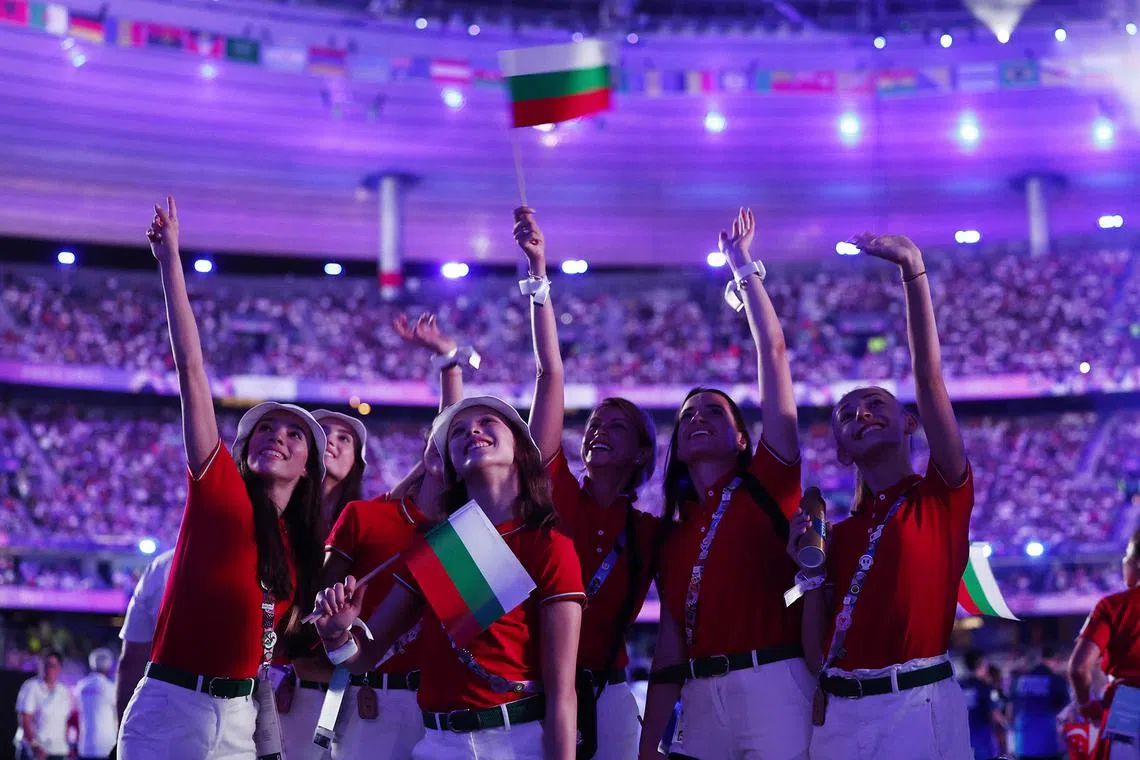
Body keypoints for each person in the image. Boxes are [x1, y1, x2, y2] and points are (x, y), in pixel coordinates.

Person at [117, 197, 328, 759]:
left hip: (242, 721)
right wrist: (170, 262)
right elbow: (192, 371)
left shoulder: (300, 551)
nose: (276, 437)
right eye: (264, 430)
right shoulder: (221, 494)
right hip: (172, 710)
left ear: (310, 467)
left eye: (293, 434)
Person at [312, 396, 585, 760]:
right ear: (449, 464)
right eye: (457, 431)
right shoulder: (441, 546)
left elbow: (562, 692)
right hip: (435, 745)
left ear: (520, 448)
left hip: (515, 743)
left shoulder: (549, 544)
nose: (472, 430)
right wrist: (335, 635)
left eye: (488, 421)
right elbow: (362, 659)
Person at [792, 232, 973, 759]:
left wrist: (912, 271)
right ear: (843, 452)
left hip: (917, 705)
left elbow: (928, 377)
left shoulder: (942, 495)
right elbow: (815, 645)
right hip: (840, 713)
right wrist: (807, 572)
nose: (861, 414)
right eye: (846, 416)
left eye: (874, 404)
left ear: (910, 423)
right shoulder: (841, 534)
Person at [640, 208, 811, 760]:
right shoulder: (672, 530)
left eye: (713, 411)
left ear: (743, 438)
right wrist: (649, 743)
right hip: (698, 693)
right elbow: (669, 641)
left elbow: (775, 355)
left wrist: (743, 267)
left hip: (775, 682)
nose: (696, 418)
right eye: (687, 415)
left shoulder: (770, 480)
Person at [279, 313, 470, 760]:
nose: (332, 443)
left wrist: (449, 361)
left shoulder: (385, 516)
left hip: (397, 698)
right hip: (313, 692)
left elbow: (444, 439)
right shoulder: (284, 520)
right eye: (323, 434)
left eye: (345, 437)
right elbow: (305, 611)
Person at [513, 206, 661, 760]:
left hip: (611, 695)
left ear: (642, 452)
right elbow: (551, 373)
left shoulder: (650, 531)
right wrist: (539, 279)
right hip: (533, 688)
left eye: (616, 427)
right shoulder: (555, 487)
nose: (597, 431)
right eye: (594, 424)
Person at [1069, 529, 1140, 760]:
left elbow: (1078, 668)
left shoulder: (1113, 605)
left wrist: (1085, 704)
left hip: (1128, 706)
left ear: (1137, 562)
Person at [116, 549, 174, 719]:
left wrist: (122, 732)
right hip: (239, 714)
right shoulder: (252, 559)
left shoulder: (161, 567)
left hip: (168, 711)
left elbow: (131, 663)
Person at [1012, 648, 1070, 760]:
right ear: (1055, 660)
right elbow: (1066, 711)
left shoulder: (1020, 680)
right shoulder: (1056, 680)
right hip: (1047, 744)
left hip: (1023, 744)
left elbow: (1012, 709)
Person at [15, 650, 72, 760]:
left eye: (53, 665)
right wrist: (34, 746)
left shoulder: (63, 691)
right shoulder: (31, 687)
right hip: (35, 752)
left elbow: (66, 721)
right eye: (46, 665)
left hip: (58, 751)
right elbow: (25, 719)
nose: (49, 669)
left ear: (59, 668)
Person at [75, 648, 118, 760]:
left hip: (85, 747)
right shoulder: (111, 688)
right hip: (106, 748)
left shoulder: (81, 686)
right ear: (108, 666)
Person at [960, 649, 1001, 760]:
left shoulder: (959, 685)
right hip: (982, 739)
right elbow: (995, 713)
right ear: (980, 663)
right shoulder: (984, 687)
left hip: (963, 740)